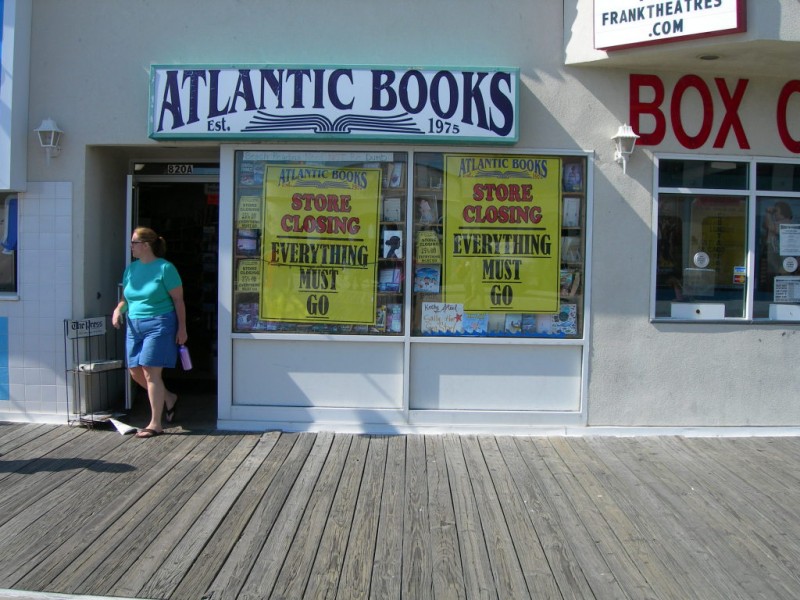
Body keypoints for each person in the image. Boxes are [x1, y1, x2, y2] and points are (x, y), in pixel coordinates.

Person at [112, 227, 187, 438]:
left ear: (146, 245)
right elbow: (126, 299)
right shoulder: (131, 269)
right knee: (135, 371)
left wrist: (182, 327)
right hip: (134, 325)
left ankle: (155, 423)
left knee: (150, 371)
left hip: (160, 322)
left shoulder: (165, 268)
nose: (131, 247)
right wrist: (118, 310)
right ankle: (169, 398)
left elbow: (178, 300)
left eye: (134, 243)